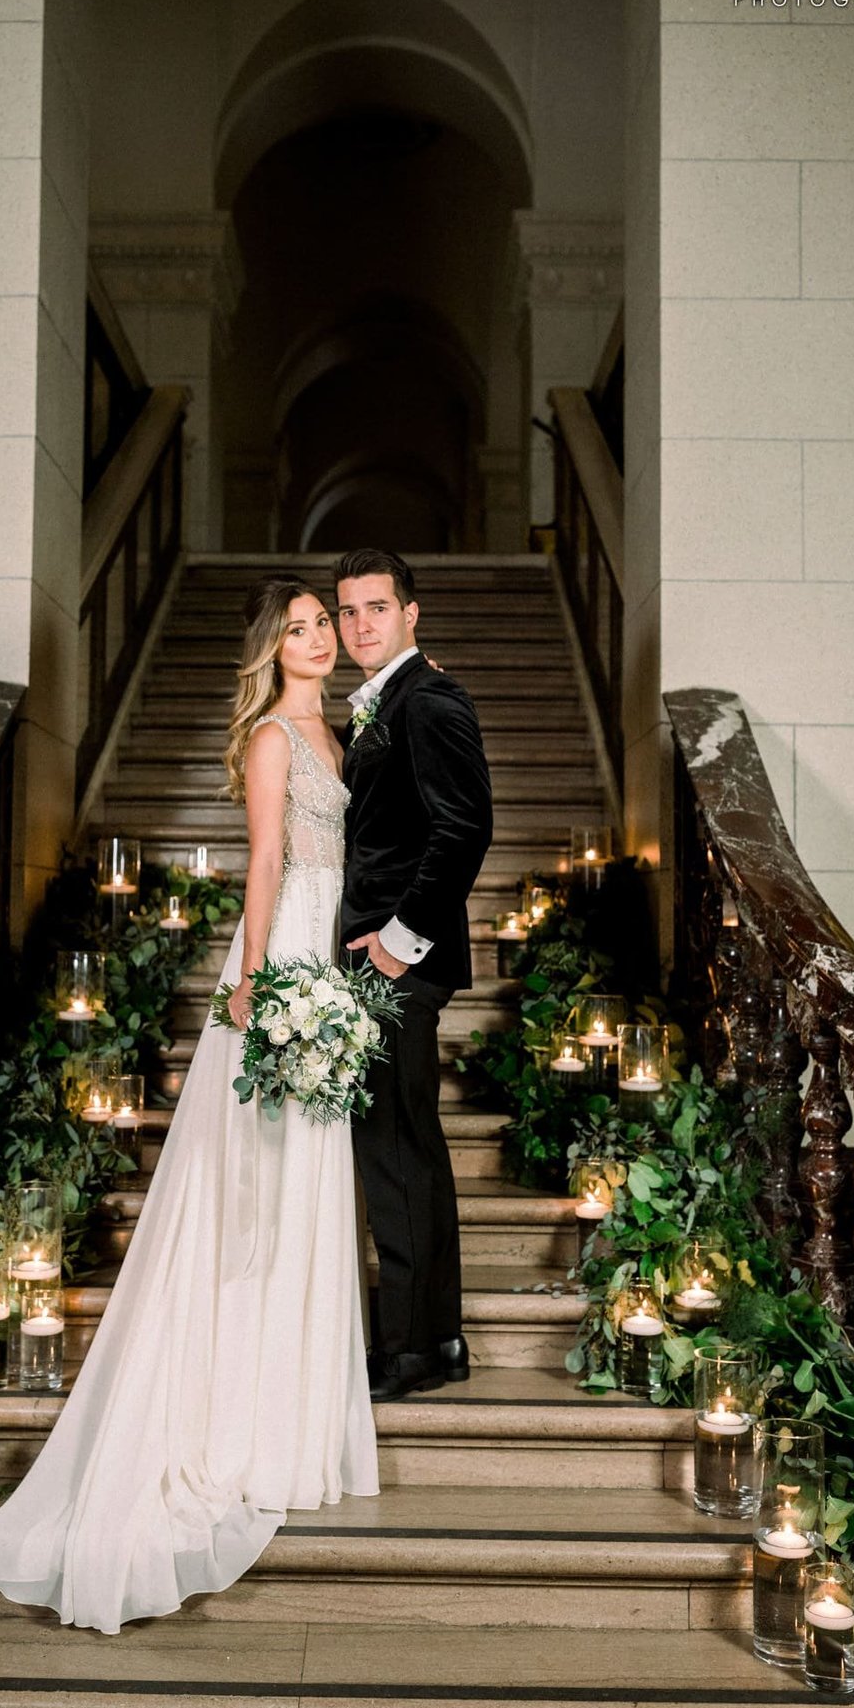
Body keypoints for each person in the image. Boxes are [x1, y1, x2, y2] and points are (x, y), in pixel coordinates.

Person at [0, 577, 378, 1633]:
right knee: (259, 1189)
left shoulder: (345, 731)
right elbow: (268, 858)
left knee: (310, 1183)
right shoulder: (278, 738)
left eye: (324, 623)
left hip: (332, 961)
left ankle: (294, 1414)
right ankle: (238, 1422)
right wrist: (257, 985)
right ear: (271, 649)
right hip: (285, 964)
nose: (318, 639)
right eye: (297, 629)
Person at [335, 549, 494, 1402]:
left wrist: (400, 939)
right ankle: (437, 1338)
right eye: (348, 611)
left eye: (376, 608)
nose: (361, 625)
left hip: (399, 960)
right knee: (410, 1150)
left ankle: (407, 1351)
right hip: (383, 959)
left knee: (394, 1153)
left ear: (410, 613)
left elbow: (464, 828)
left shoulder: (427, 698)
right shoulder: (385, 702)